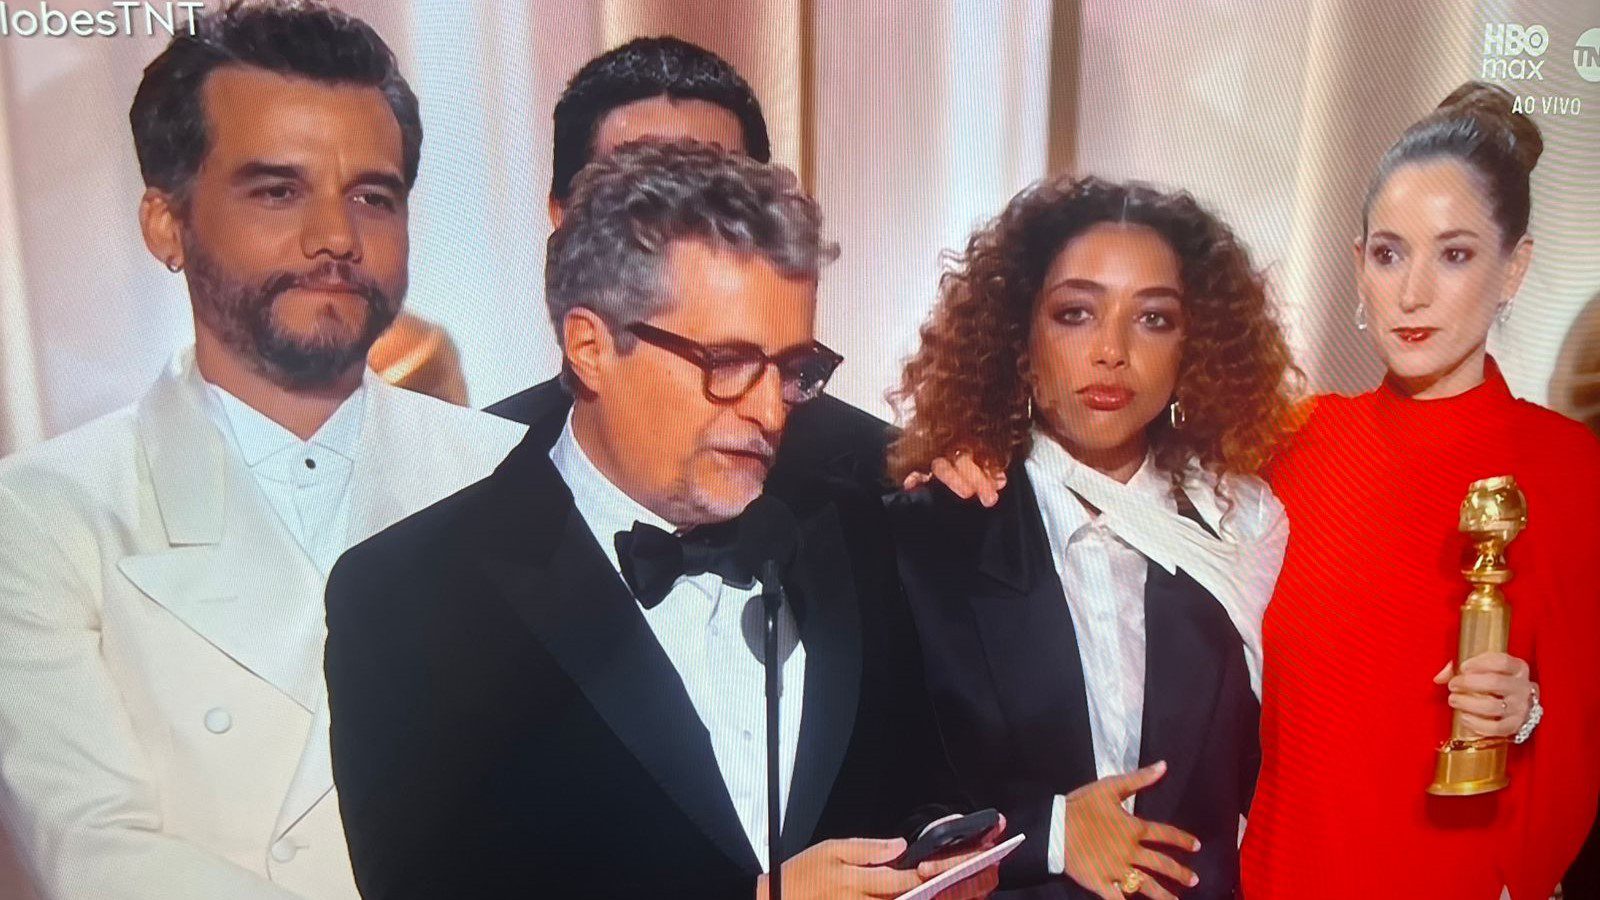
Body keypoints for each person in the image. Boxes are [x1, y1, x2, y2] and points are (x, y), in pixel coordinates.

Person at [325, 140, 1001, 900]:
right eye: (728, 362)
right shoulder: (405, 596)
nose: (770, 409)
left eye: (792, 369)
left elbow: (910, 779)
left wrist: (935, 856)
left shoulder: (845, 530)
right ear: (590, 346)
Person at [0, 3, 526, 897]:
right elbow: (96, 855)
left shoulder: (514, 475)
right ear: (166, 224)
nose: (337, 238)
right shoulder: (47, 514)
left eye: (373, 196)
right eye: (278, 191)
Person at [888, 175, 1297, 899]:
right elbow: (890, 804)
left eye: (1154, 319)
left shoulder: (1245, 526)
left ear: (1194, 347)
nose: (1112, 351)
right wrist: (1049, 834)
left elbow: (1290, 766)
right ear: (1021, 338)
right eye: (1075, 314)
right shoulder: (936, 531)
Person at [1241, 82, 1600, 899]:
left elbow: (1579, 755)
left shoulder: (1569, 470)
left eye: (1455, 255)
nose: (1412, 294)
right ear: (1358, 263)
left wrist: (1525, 716)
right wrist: (976, 459)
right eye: (1389, 253)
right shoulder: (1290, 443)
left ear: (1514, 268)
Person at [485, 36, 891, 495]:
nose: (682, 217)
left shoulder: (880, 484)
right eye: (639, 195)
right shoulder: (475, 465)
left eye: (717, 193)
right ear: (562, 219)